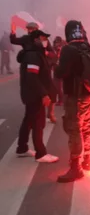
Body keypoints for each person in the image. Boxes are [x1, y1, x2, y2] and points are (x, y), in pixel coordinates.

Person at [55, 20, 90, 183]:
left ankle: (75, 168)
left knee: (74, 129)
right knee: (87, 126)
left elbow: (60, 73)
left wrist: (58, 61)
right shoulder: (86, 46)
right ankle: (88, 160)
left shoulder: (67, 49)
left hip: (75, 97)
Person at [16, 29, 58, 163]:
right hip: (34, 95)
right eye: (43, 38)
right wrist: (44, 94)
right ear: (35, 40)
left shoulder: (36, 53)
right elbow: (32, 77)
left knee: (28, 120)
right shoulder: (33, 55)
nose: (45, 41)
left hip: (31, 94)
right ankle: (41, 154)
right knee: (38, 123)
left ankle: (22, 148)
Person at [10, 22, 57, 123]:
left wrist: (46, 53)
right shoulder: (26, 39)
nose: (30, 30)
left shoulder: (43, 39)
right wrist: (13, 30)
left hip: (43, 68)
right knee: (33, 92)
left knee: (52, 92)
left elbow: (53, 54)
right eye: (28, 29)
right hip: (30, 66)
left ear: (36, 29)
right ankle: (33, 116)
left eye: (32, 29)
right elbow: (13, 40)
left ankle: (51, 113)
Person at [53, 36, 66, 105]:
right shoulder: (53, 49)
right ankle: (61, 100)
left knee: (65, 86)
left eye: (58, 43)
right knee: (57, 86)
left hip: (64, 69)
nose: (57, 45)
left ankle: (64, 100)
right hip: (56, 69)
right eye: (56, 43)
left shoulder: (66, 47)